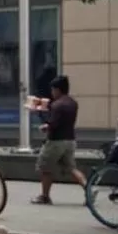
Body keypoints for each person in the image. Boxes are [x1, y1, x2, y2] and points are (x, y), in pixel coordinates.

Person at [30, 74, 84, 204]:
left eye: (53, 90)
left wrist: (43, 123)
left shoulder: (57, 105)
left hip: (55, 141)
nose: (52, 93)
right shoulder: (73, 103)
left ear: (58, 89)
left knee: (45, 167)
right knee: (71, 167)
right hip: (70, 140)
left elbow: (52, 124)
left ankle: (45, 196)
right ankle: (88, 189)